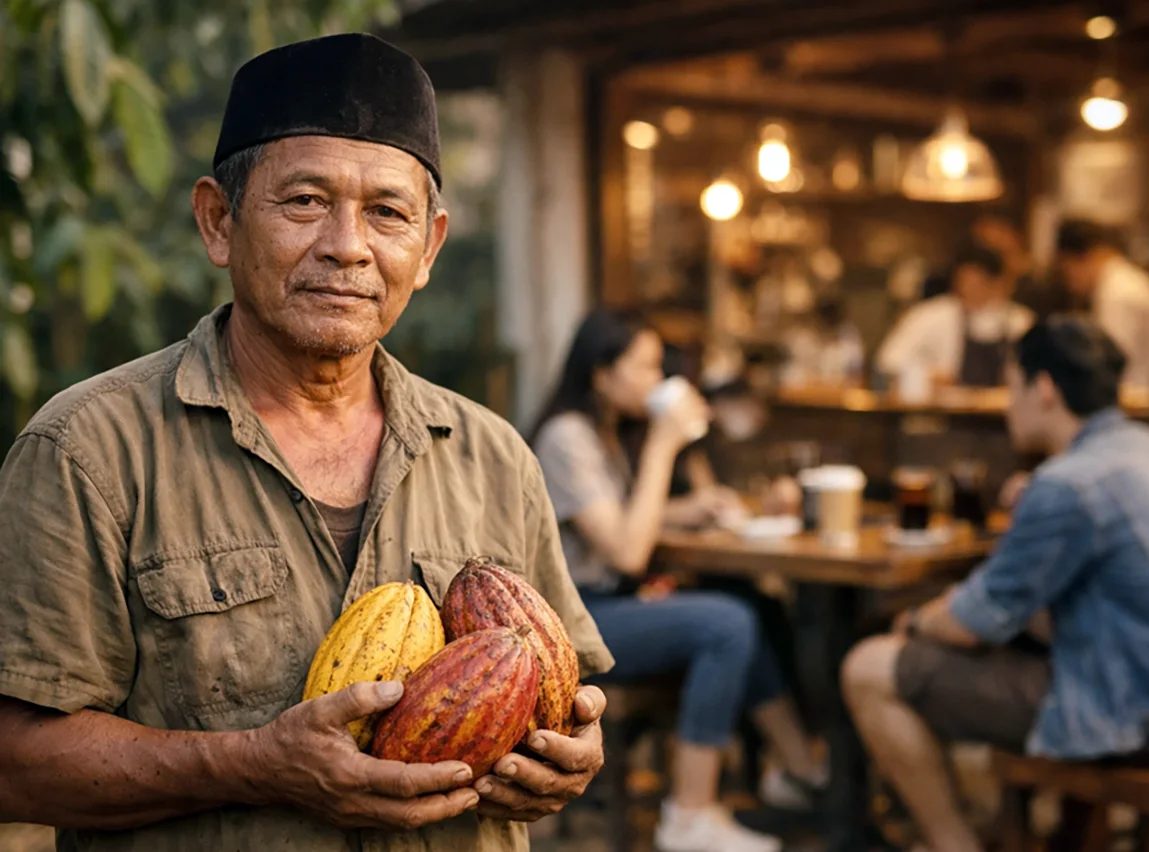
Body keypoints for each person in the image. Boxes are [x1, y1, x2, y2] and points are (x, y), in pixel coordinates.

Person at [0, 34, 613, 852]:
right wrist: (256, 765)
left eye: (387, 213)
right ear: (219, 222)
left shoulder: (494, 456)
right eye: (304, 201)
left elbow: (567, 703)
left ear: (428, 248)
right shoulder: (88, 450)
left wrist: (573, 755)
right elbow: (15, 766)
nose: (347, 245)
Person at [841, 317, 1149, 852]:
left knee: (869, 667)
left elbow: (971, 622)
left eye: (1012, 388)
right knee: (1025, 640)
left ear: (1043, 388)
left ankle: (955, 844)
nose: (1007, 406)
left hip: (1144, 716)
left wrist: (912, 621)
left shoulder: (1069, 484)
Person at [532, 308, 827, 852]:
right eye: (644, 366)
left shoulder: (606, 432)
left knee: (748, 602)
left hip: (609, 604)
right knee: (725, 623)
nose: (657, 379)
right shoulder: (566, 438)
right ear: (601, 374)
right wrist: (664, 445)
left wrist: (692, 507)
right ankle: (689, 816)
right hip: (575, 621)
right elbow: (626, 551)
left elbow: (618, 518)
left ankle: (799, 770)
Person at [877, 244, 1035, 388]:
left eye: (978, 283)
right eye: (964, 282)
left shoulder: (1018, 320)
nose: (969, 289)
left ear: (996, 283)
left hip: (1003, 409)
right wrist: (928, 376)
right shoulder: (930, 315)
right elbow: (887, 364)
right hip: (943, 409)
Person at [1056, 218, 1149, 392]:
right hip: (1145, 395)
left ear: (1083, 258)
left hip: (1140, 397)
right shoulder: (1123, 281)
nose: (1070, 284)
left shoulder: (1117, 292)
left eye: (1067, 271)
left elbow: (1110, 362)